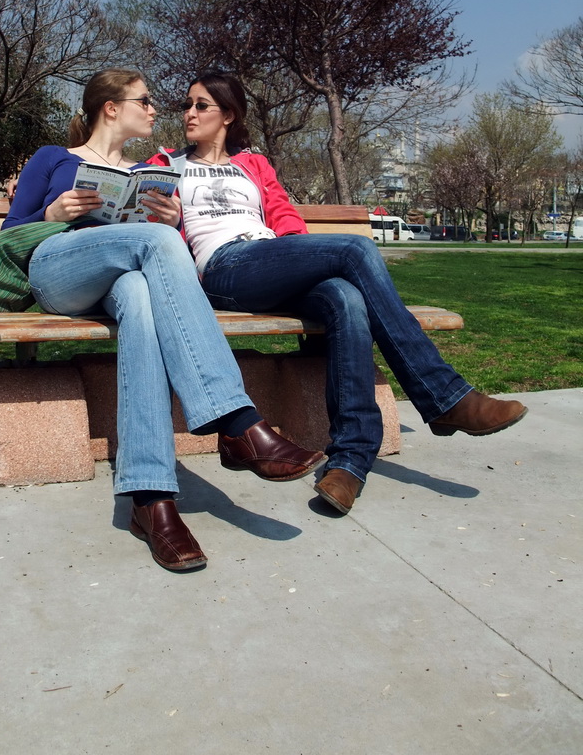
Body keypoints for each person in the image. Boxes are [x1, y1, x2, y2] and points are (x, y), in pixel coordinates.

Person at [148, 72, 528, 516]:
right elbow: (154, 238)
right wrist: (171, 218)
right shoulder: (164, 165)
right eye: (187, 105)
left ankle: (350, 460)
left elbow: (285, 216)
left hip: (273, 259)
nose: (188, 113)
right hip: (224, 269)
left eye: (201, 106)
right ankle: (444, 396)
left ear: (228, 115)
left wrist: (294, 252)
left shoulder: (253, 165)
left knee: (346, 298)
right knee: (356, 246)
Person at [3, 68, 325, 571]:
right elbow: (12, 231)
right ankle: (239, 422)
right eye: (145, 100)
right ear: (111, 107)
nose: (157, 110)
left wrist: (172, 221)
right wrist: (53, 213)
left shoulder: (142, 172)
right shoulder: (54, 159)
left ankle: (151, 501)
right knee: (153, 242)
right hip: (58, 271)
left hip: (116, 283)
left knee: (140, 292)